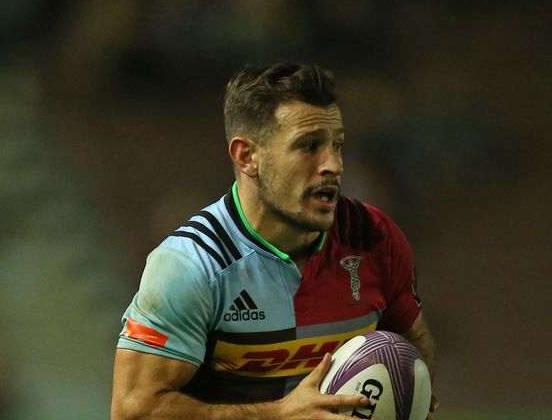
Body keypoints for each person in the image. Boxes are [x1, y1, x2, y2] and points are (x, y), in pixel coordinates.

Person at [111, 62, 436, 419]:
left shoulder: (374, 237)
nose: (334, 165)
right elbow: (134, 411)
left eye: (337, 145)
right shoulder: (191, 265)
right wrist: (277, 414)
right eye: (310, 146)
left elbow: (412, 340)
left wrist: (409, 397)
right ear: (247, 157)